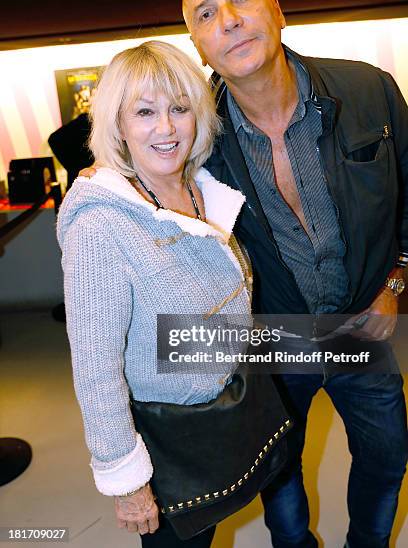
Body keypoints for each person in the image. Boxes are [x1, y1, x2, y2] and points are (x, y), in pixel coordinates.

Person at [180, 0, 408, 548]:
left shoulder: (369, 91)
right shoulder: (195, 143)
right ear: (199, 45)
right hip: (273, 336)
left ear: (277, 10)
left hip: (365, 323)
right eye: (206, 13)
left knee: (387, 460)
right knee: (278, 476)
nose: (227, 19)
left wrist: (397, 287)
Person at [56, 40, 286, 547]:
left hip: (222, 420)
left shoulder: (200, 187)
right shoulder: (101, 225)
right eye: (144, 112)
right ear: (117, 124)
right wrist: (127, 480)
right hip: (169, 445)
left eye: (179, 109)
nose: (166, 128)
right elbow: (95, 369)